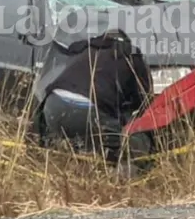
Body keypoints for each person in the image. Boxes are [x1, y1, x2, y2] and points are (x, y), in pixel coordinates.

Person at [39, 28, 151, 160]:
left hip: (52, 106)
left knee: (73, 141)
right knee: (134, 140)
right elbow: (143, 98)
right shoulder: (131, 56)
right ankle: (125, 175)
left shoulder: (85, 48)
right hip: (87, 112)